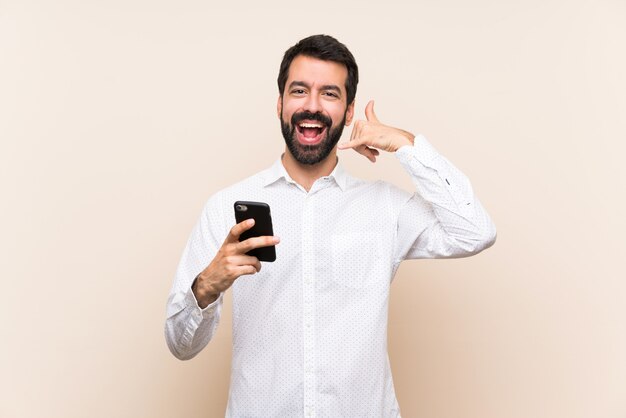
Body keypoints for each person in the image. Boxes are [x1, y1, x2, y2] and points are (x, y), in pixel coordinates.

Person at [165, 34, 496, 417]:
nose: (312, 106)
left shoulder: (384, 207)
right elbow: (180, 345)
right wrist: (206, 286)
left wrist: (406, 145)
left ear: (349, 109)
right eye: (299, 90)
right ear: (280, 103)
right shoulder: (224, 208)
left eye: (330, 94)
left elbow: (475, 230)